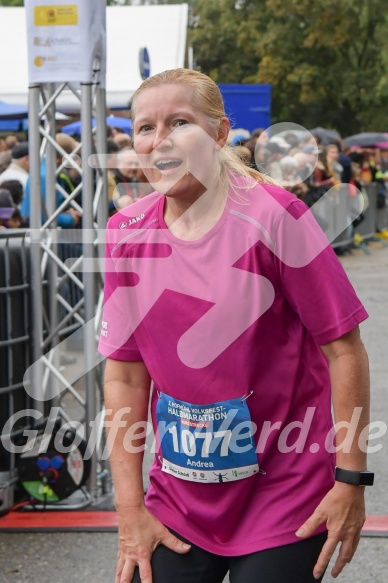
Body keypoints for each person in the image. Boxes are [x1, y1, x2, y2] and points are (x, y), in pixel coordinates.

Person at [98, 69, 372, 583]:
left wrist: (351, 479)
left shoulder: (276, 219)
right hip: (180, 497)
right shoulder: (124, 233)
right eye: (144, 128)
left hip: (286, 489)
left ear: (220, 134)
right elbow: (125, 376)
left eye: (179, 122)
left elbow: (345, 350)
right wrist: (129, 510)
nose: (160, 141)